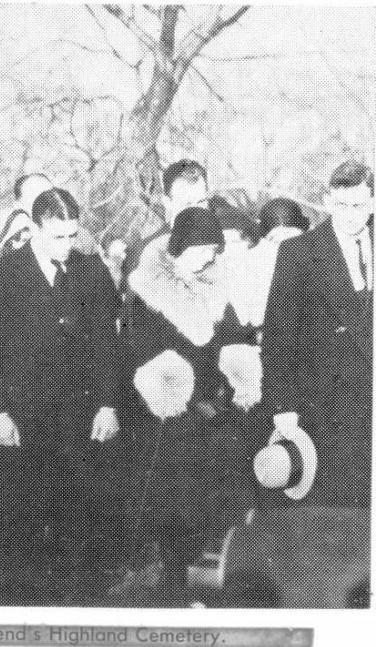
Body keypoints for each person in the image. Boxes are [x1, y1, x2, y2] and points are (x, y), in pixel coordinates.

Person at [0, 188, 123, 593]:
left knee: (75, 519)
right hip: (21, 420)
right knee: (21, 523)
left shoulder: (92, 273)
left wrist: (108, 405)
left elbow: (107, 346)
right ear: (35, 229)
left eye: (73, 235)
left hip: (79, 419)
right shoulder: (2, 276)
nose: (68, 245)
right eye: (58, 236)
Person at [118, 206, 257, 596]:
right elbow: (137, 345)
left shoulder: (215, 285)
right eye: (203, 250)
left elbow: (231, 338)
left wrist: (239, 371)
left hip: (209, 405)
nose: (210, 258)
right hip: (163, 409)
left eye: (214, 250)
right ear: (182, 247)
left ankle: (193, 567)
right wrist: (172, 380)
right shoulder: (147, 286)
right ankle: (160, 570)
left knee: (206, 493)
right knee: (165, 496)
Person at [262, 160, 373, 510]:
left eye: (359, 205)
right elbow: (279, 338)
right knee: (338, 510)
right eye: (341, 205)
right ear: (327, 201)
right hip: (327, 409)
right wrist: (283, 405)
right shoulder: (298, 254)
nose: (351, 215)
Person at [0, 174, 52, 324]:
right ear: (17, 205)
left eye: (51, 198)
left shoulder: (77, 238)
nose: (47, 207)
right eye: (38, 200)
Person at [120, 159, 210, 288]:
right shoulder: (142, 256)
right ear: (168, 203)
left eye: (201, 202)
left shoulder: (222, 248)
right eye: (187, 204)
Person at [234, 198, 309, 330]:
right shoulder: (250, 264)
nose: (287, 249)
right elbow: (247, 316)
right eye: (277, 241)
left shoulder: (315, 259)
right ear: (265, 238)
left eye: (293, 240)